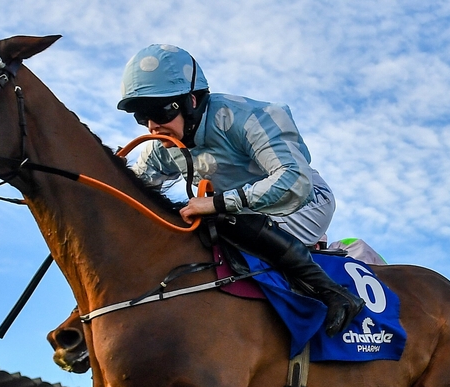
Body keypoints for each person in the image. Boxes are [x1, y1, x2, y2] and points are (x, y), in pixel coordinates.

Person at [118, 44, 364, 337]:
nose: (152, 126)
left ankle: (335, 294)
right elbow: (127, 197)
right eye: (141, 116)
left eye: (159, 111)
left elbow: (294, 180)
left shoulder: (249, 118)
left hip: (304, 203)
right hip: (242, 213)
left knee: (222, 221)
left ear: (191, 101)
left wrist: (217, 204)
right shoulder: (161, 147)